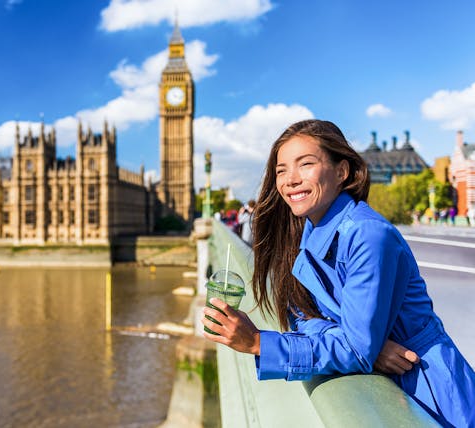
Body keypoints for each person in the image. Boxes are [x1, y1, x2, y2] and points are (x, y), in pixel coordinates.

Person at [202, 119, 475, 426]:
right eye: (281, 170)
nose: (290, 179)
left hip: (429, 387)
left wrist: (258, 343)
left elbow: (356, 350)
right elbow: (304, 320)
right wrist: (370, 346)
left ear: (341, 171)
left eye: (305, 164)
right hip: (391, 384)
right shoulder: (306, 234)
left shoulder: (367, 235)